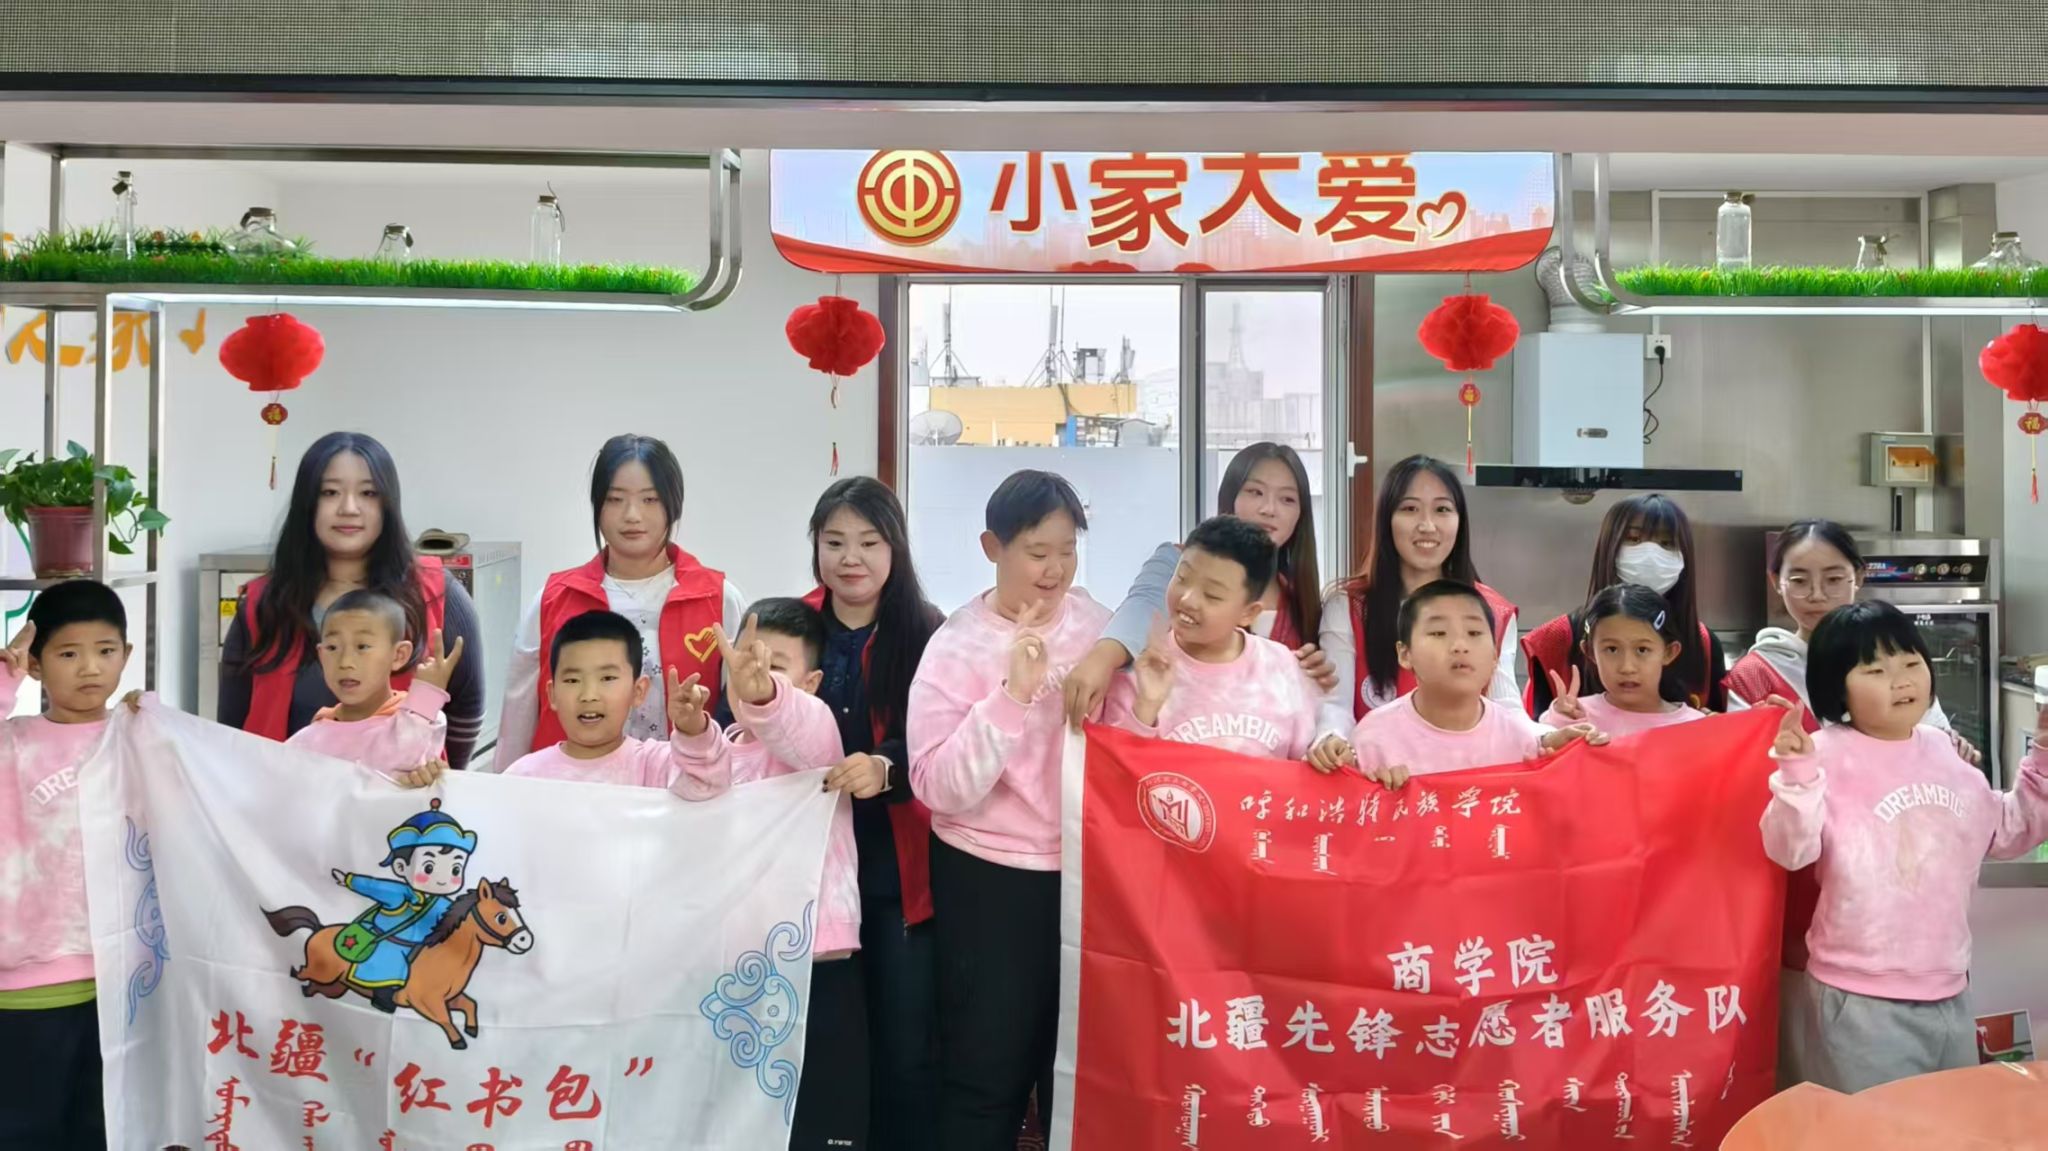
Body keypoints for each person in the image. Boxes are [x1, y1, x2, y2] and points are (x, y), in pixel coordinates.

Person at [1762, 600, 2048, 1093]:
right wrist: (1796, 773)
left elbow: (2005, 831)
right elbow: (1790, 850)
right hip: (1859, 996)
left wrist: (2041, 759)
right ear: (1837, 689)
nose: (1901, 681)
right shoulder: (1823, 754)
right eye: (1875, 670)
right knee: (1875, 1129)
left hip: (1950, 988)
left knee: (1949, 1125)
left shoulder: (1943, 749)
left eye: (1911, 663)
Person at [908, 470, 1110, 1151]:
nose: (1055, 569)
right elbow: (936, 784)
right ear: (992, 547)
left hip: (1086, 874)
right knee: (985, 1073)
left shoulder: (1096, 626)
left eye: (1067, 550)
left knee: (1078, 1075)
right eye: (1037, 551)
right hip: (988, 877)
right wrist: (1011, 697)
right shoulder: (956, 645)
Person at [679, 600, 867, 1151]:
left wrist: (766, 694)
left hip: (816, 961)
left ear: (810, 682)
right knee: (737, 1118)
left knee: (820, 1118)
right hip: (731, 967)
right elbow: (693, 791)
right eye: (741, 661)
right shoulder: (715, 750)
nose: (751, 673)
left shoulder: (817, 735)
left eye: (773, 665)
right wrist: (692, 733)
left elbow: (795, 726)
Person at [801, 476, 945, 1150]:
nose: (850, 558)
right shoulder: (789, 624)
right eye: (834, 542)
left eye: (868, 542)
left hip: (895, 873)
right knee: (818, 1043)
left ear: (896, 548)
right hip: (805, 871)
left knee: (904, 1046)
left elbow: (944, 742)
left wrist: (886, 765)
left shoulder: (929, 632)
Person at [221, 431, 486, 768]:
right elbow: (231, 725)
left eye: (368, 493)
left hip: (400, 798)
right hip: (282, 793)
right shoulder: (263, 603)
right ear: (307, 504)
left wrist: (432, 774)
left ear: (387, 504)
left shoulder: (436, 593)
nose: (348, 508)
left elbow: (466, 710)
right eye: (330, 492)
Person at [493, 434, 748, 771]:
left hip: (684, 789)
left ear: (673, 505)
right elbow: (517, 722)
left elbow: (741, 719)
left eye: (650, 499)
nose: (632, 515)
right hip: (569, 790)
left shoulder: (718, 598)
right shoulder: (554, 599)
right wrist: (505, 789)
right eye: (615, 499)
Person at [1062, 442, 1336, 729]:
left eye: (1287, 499)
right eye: (1255, 492)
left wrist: (1314, 680)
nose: (1269, 509)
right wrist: (1101, 659)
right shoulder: (1176, 559)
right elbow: (1142, 608)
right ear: (1230, 496)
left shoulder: (1300, 599)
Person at [0, 581, 134, 1149]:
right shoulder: (13, 744)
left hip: (125, 978)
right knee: (24, 1129)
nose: (90, 668)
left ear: (127, 655)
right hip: (28, 984)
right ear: (35, 664)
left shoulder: (143, 738)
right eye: (68, 653)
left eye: (106, 651)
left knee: (103, 1130)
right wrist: (3, 676)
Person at [1104, 515, 1342, 766]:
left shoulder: (1283, 669)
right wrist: (1146, 705)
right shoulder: (1142, 667)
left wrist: (1327, 752)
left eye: (1212, 595)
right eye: (1182, 578)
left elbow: (1307, 767)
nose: (1188, 599)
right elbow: (1112, 773)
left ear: (1248, 613)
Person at [1319, 454, 1521, 736]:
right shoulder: (1348, 607)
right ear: (1387, 520)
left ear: (1460, 521)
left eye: (1442, 509)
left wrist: (1549, 733)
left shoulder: (1493, 612)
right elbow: (1335, 707)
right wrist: (1330, 739)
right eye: (1410, 509)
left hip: (1466, 762)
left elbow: (1509, 712)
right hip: (1375, 761)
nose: (1427, 525)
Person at [1347, 580, 1602, 788]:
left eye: (1474, 633)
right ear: (1405, 654)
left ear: (1494, 656)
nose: (1460, 646)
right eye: (1438, 633)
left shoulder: (1521, 740)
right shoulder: (1373, 738)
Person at [1522, 493, 1725, 718]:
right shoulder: (1556, 639)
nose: (1650, 555)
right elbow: (1535, 732)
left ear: (1670, 651)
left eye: (1667, 543)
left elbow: (1723, 726)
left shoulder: (1704, 644)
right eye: (1634, 539)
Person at [499, 609, 729, 799]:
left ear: (638, 691)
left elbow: (707, 785)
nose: (589, 695)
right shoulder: (524, 776)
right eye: (572, 680)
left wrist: (692, 729)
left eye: (607, 678)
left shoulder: (654, 765)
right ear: (552, 695)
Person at [286, 589, 462, 785]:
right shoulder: (308, 740)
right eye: (332, 648)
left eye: (362, 647)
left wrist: (427, 695)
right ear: (321, 655)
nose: (345, 662)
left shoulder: (422, 720)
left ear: (399, 655)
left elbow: (402, 758)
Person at [1539, 584, 1708, 736]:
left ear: (1669, 652)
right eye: (1612, 649)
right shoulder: (1572, 717)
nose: (1627, 667)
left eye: (1642, 650)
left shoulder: (1696, 727)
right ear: (1590, 652)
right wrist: (1560, 722)